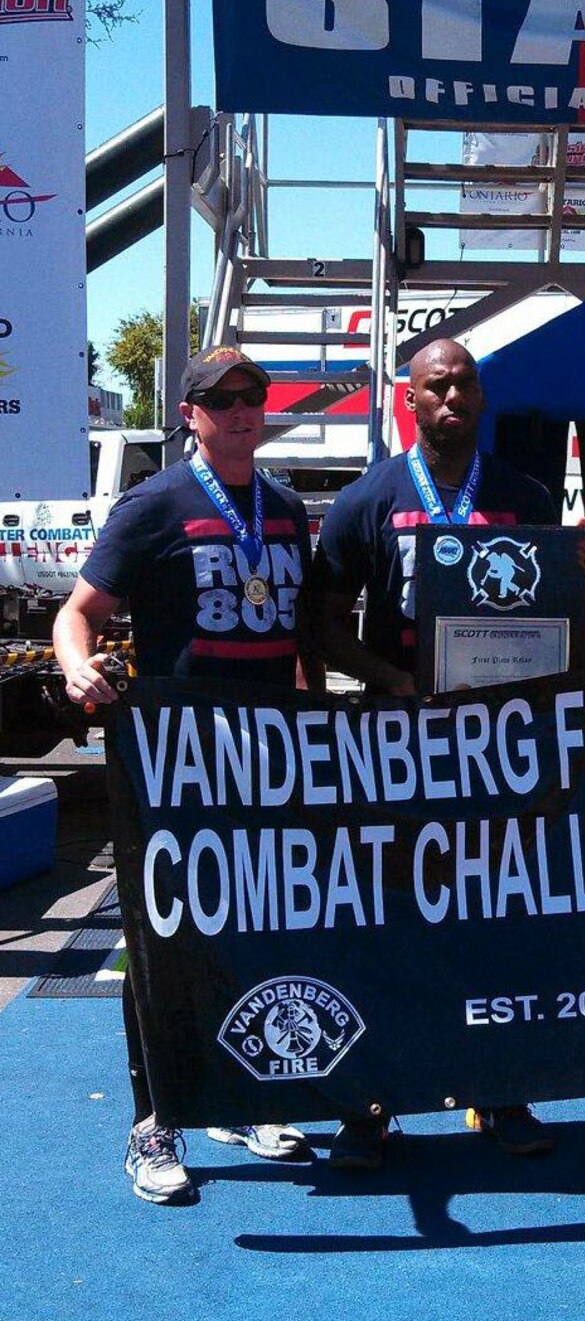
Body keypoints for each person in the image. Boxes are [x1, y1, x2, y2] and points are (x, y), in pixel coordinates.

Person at [54, 348, 320, 1204]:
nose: (243, 410)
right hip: (174, 764)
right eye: (223, 399)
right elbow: (77, 613)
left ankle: (238, 1095)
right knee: (163, 940)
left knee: (255, 931)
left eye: (254, 397)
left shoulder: (282, 506)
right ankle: (151, 1118)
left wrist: (314, 734)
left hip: (268, 761)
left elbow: (298, 641)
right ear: (191, 413)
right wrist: (75, 667)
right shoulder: (154, 503)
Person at [307, 336, 559, 1168]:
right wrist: (392, 683)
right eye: (434, 387)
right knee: (388, 926)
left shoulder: (527, 497)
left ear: (482, 399)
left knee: (496, 921)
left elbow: (556, 621)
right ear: (406, 400)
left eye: (464, 386)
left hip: (497, 752)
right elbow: (318, 627)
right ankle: (372, 1104)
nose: (451, 398)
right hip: (397, 750)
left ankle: (498, 1088)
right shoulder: (367, 500)